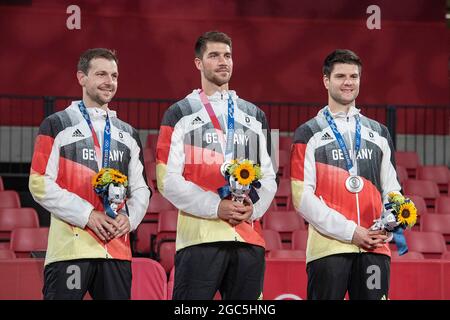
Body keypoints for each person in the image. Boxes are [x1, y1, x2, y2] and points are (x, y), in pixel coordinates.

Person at [156, 31, 277, 300]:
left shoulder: (256, 115)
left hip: (248, 240)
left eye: (227, 55)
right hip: (199, 241)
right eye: (214, 56)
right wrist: (216, 207)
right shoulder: (179, 113)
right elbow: (166, 179)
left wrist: (252, 209)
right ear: (198, 63)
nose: (223, 62)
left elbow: (269, 177)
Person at [29, 48, 151, 300]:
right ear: (81, 78)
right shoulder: (57, 124)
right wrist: (87, 215)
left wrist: (129, 219)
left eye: (114, 75)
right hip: (70, 251)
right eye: (101, 74)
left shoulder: (128, 133)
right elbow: (39, 182)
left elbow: (140, 189)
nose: (109, 82)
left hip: (116, 250)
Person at [291, 49, 402, 300]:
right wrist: (352, 232)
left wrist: (389, 224)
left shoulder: (380, 133)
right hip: (328, 250)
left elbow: (392, 190)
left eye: (354, 76)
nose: (348, 82)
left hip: (375, 248)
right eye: (340, 76)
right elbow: (302, 198)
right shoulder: (308, 133)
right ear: (326, 80)